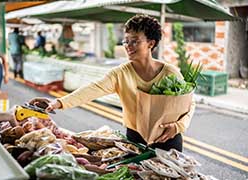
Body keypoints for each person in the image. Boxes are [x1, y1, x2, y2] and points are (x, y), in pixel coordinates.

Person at [29, 15, 195, 152]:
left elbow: (188, 104)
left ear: (151, 44)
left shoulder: (169, 72)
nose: (128, 46)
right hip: (135, 138)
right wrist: (58, 102)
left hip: (169, 138)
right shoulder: (121, 73)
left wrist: (178, 126)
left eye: (135, 41)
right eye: (126, 41)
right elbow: (93, 88)